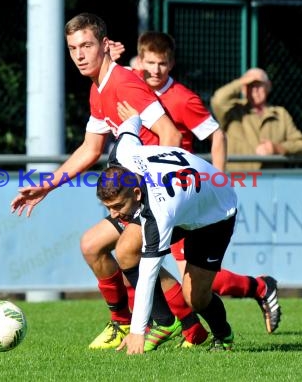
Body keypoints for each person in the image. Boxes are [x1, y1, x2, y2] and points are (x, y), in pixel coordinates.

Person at [10, 13, 196, 352]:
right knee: (93, 246)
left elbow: (170, 133)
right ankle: (132, 324)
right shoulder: (99, 88)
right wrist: (47, 186)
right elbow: (90, 148)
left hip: (153, 192)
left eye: (86, 45)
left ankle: (178, 325)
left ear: (104, 45)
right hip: (137, 194)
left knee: (129, 253)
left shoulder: (124, 83)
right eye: (72, 48)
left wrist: (157, 185)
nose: (79, 54)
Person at [110, 32, 282, 337]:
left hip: (177, 197)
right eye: (149, 63)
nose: (155, 70)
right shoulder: (135, 85)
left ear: (171, 64)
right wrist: (110, 59)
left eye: (162, 64)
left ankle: (253, 290)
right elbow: (112, 80)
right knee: (118, 250)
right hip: (141, 195)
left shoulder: (182, 98)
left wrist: (217, 179)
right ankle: (153, 327)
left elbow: (217, 135)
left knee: (196, 284)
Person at [98, 100, 238, 354]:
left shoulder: (160, 211)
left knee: (195, 298)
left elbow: (150, 271)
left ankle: (223, 335)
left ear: (137, 193)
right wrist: (134, 116)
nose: (114, 214)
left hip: (215, 214)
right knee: (126, 250)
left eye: (118, 206)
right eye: (108, 207)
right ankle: (164, 322)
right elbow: (130, 129)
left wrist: (137, 332)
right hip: (189, 202)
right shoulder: (121, 155)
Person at [210, 68, 302, 170]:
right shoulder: (233, 111)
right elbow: (218, 100)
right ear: (244, 89)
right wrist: (241, 81)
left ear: (268, 87)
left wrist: (277, 148)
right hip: (239, 180)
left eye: (259, 85)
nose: (255, 90)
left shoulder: (281, 114)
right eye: (250, 86)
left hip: (270, 181)